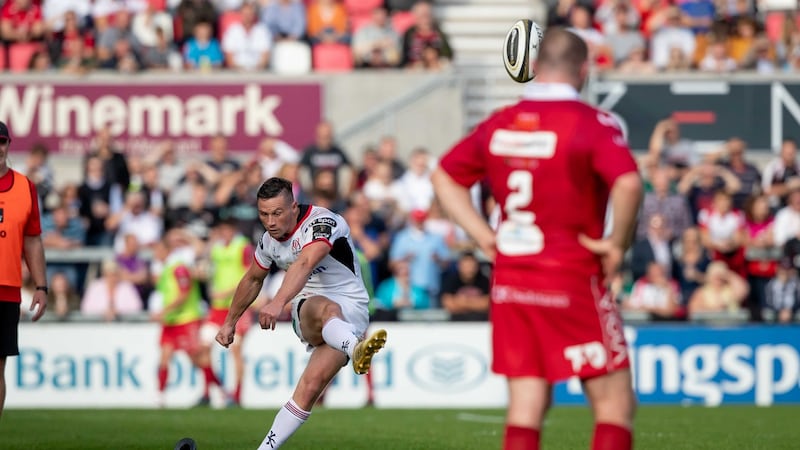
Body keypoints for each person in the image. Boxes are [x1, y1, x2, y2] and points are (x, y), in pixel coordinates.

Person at [431, 28, 642, 450]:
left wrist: (485, 238)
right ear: (583, 70)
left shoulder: (499, 122)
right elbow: (629, 184)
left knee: (527, 402)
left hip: (512, 278)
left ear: (534, 68)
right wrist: (617, 244)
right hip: (570, 274)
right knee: (614, 403)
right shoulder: (593, 123)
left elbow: (444, 175)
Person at [215, 177, 387, 449]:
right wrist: (229, 322)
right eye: (264, 214)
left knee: (309, 389)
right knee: (326, 307)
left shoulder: (322, 222)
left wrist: (277, 301)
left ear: (294, 207)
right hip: (309, 308)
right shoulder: (268, 241)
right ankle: (356, 348)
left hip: (352, 313)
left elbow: (306, 261)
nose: (270, 222)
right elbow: (252, 279)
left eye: (277, 213)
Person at [0, 121, 48, 420]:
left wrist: (42, 287)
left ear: (8, 145)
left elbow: (32, 241)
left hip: (6, 289)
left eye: (1, 142)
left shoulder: (24, 187)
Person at [199, 216, 254, 407]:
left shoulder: (242, 246)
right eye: (223, 229)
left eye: (228, 229)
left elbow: (250, 275)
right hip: (217, 307)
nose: (225, 232)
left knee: (236, 351)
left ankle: (237, 396)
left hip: (237, 307)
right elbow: (207, 267)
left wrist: (229, 291)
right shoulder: (216, 248)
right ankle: (211, 390)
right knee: (203, 348)